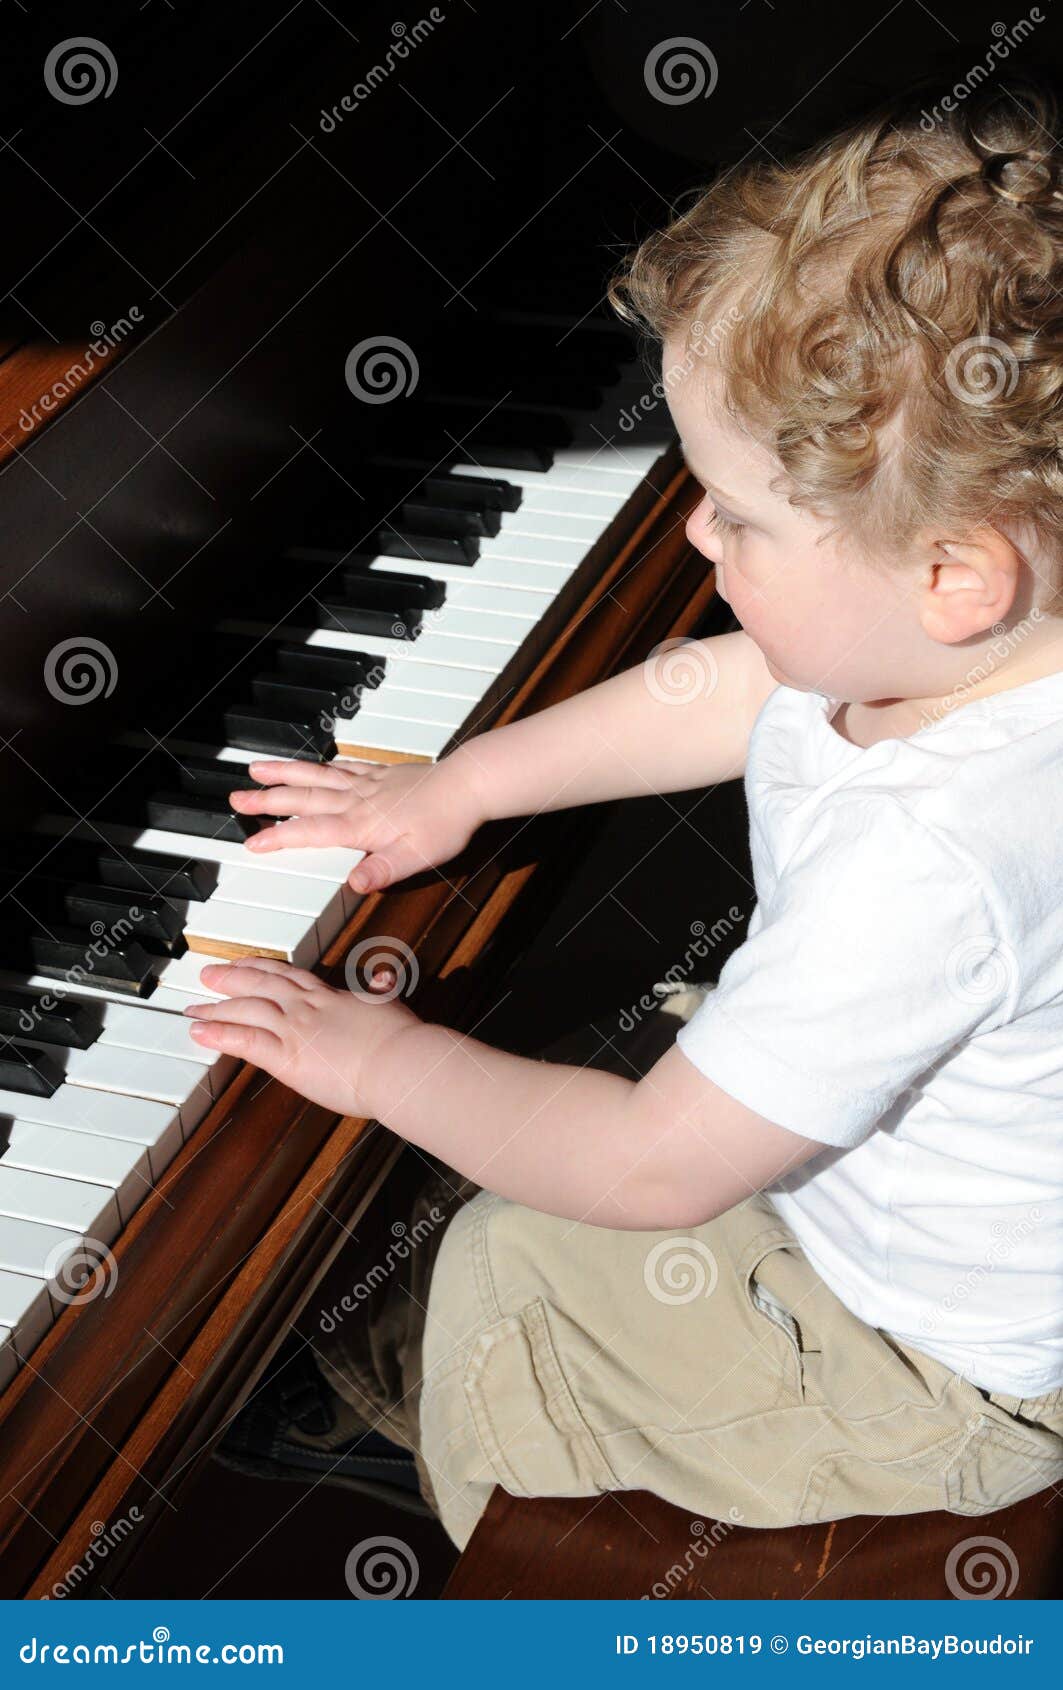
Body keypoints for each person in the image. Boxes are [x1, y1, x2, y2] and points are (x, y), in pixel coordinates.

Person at [192, 76, 1063, 1548]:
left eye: (738, 513)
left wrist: (382, 1062)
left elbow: (652, 1168)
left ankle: (532, 1565)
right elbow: (728, 694)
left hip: (932, 1373)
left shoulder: (932, 855)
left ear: (955, 579)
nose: (692, 530)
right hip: (952, 1236)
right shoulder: (962, 650)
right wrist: (462, 788)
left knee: (502, 1271)